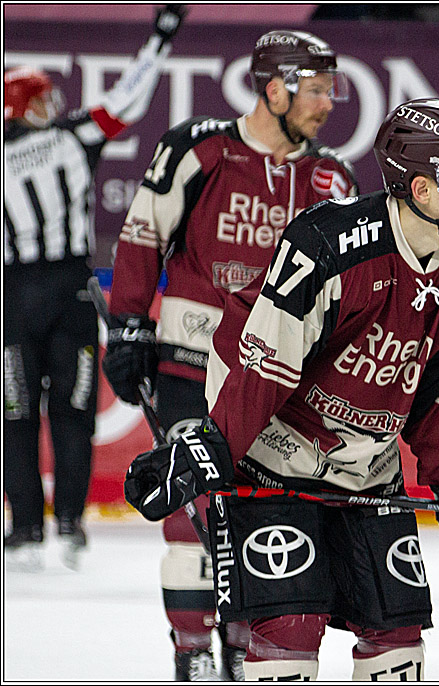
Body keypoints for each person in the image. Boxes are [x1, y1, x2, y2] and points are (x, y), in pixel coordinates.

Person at [118, 97, 439, 681]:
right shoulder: (328, 245)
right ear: (425, 190)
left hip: (369, 470)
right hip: (271, 458)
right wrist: (209, 449)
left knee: (398, 635)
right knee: (289, 630)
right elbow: (264, 365)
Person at [100, 29, 358, 681]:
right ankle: (193, 659)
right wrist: (127, 324)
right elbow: (141, 233)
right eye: (317, 90)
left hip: (274, 379)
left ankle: (246, 653)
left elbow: (350, 286)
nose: (329, 104)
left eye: (332, 89)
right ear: (274, 89)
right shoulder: (198, 148)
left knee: (259, 515)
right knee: (193, 514)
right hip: (190, 358)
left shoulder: (332, 177)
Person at [3, 4, 186, 573]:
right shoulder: (73, 135)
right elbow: (128, 98)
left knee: (16, 414)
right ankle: (69, 524)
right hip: (71, 291)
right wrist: (160, 39)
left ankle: (28, 527)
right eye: (41, 100)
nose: (51, 107)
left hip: (13, 296)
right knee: (73, 412)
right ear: (26, 106)